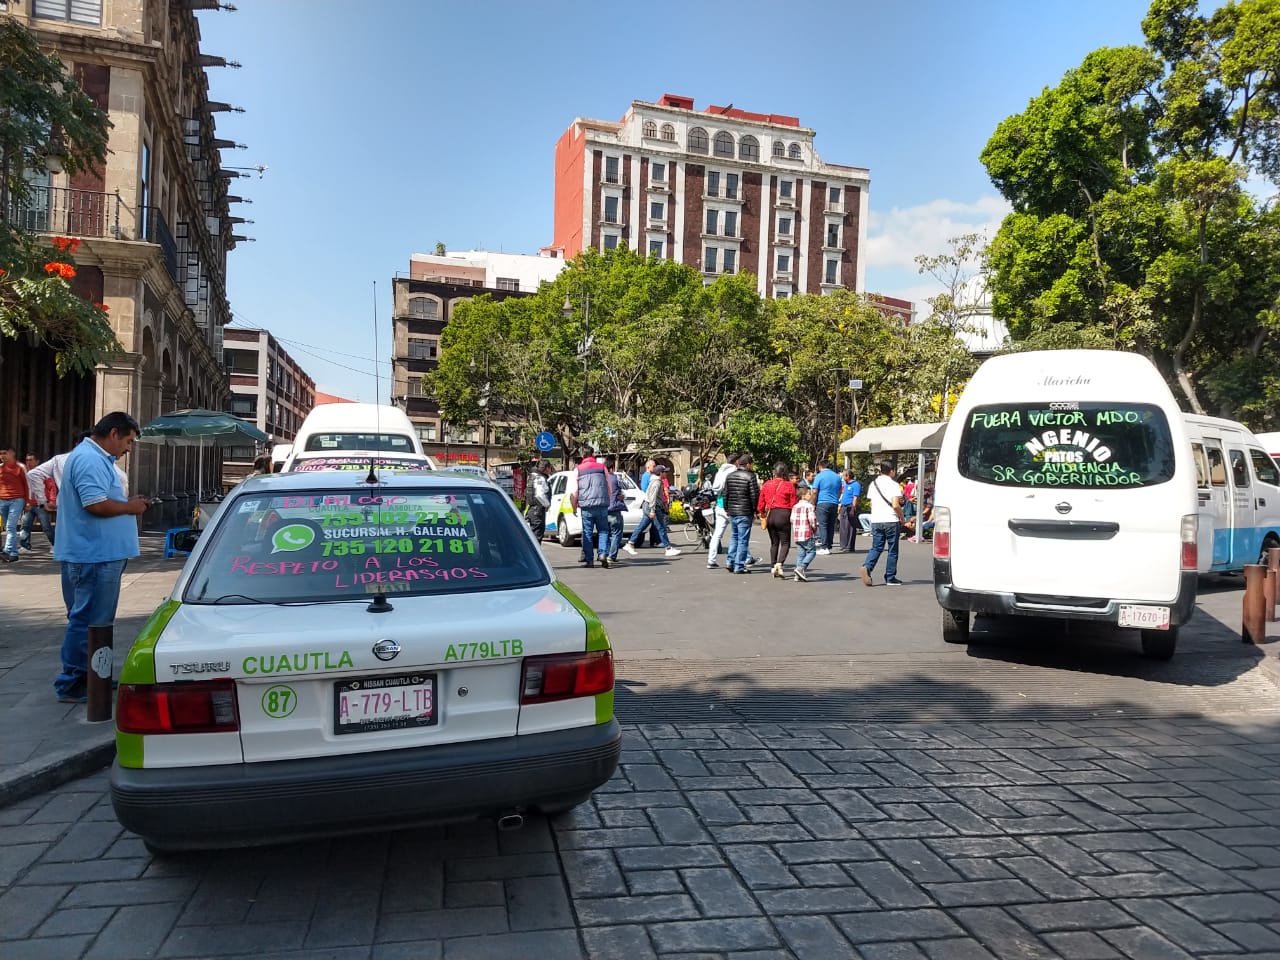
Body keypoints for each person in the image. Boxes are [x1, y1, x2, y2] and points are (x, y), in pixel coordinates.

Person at [53, 412, 152, 703]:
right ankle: (74, 681)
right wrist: (130, 507)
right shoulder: (89, 459)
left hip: (99, 555)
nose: (128, 449)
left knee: (96, 622)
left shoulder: (96, 459)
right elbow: (95, 504)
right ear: (113, 434)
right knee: (87, 621)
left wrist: (129, 504)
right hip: (92, 556)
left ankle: (95, 676)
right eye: (128, 441)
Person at [861, 461, 906, 587]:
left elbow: (871, 503)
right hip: (891, 520)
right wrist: (902, 518)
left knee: (876, 547)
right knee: (892, 549)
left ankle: (867, 566)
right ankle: (890, 577)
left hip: (876, 519)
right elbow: (896, 504)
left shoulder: (873, 484)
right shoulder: (894, 485)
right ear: (892, 471)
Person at [624, 465, 681, 558]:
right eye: (665, 472)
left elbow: (657, 497)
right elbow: (653, 497)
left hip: (648, 505)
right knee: (661, 527)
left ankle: (630, 543)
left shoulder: (655, 480)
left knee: (642, 526)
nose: (666, 473)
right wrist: (652, 510)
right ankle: (668, 548)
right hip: (652, 506)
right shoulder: (657, 482)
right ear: (660, 473)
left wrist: (663, 504)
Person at [571, 452, 613, 568]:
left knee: (587, 533)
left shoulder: (578, 469)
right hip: (602, 505)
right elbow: (609, 486)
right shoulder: (602, 467)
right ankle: (603, 554)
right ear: (593, 455)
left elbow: (575, 491)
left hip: (586, 506)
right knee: (603, 531)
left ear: (582, 456)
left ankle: (589, 560)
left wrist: (574, 506)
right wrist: (607, 500)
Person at [757, 462, 797, 578]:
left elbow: (761, 503)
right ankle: (779, 564)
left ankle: (772, 565)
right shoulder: (789, 485)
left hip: (771, 514)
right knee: (785, 543)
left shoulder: (766, 484)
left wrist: (762, 513)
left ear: (775, 472)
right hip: (784, 514)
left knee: (774, 543)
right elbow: (793, 503)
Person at [723, 453, 760, 574]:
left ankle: (730, 561)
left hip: (733, 511)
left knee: (734, 537)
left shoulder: (730, 476)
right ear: (748, 464)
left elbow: (725, 494)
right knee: (743, 540)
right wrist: (756, 510)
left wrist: (726, 508)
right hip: (745, 511)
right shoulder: (750, 476)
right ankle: (739, 565)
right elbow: (754, 495)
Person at [706, 452, 738, 569]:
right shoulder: (733, 471)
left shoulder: (720, 471)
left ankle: (711, 559)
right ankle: (745, 558)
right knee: (738, 533)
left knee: (717, 534)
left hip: (719, 505)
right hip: (730, 506)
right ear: (737, 461)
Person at [19, 452, 55, 552]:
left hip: (41, 504)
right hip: (29, 504)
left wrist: (52, 501)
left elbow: (51, 487)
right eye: (27, 460)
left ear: (37, 461)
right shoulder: (25, 474)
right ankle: (25, 545)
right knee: (25, 525)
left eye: (31, 460)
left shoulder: (43, 472)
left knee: (46, 527)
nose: (28, 462)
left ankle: (55, 544)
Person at [0, 445, 28, 562]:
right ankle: (14, 554)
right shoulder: (0, 468)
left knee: (11, 526)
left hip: (17, 500)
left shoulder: (20, 467)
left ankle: (6, 551)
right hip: (2, 500)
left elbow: (27, 485)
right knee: (8, 527)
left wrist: (27, 502)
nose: (2, 456)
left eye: (5, 453)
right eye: (0, 453)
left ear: (12, 453)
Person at [810, 460, 841, 555]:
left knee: (823, 525)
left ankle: (824, 546)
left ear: (820, 466)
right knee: (831, 525)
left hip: (822, 502)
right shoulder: (837, 477)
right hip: (834, 502)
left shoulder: (819, 476)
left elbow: (815, 491)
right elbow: (840, 490)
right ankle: (829, 544)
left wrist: (813, 503)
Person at [790, 482, 818, 582]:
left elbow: (792, 520)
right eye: (808, 494)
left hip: (797, 534)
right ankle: (801, 568)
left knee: (800, 554)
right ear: (803, 495)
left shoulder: (795, 507)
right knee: (812, 552)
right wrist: (814, 528)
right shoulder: (809, 506)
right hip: (807, 533)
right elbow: (812, 520)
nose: (810, 495)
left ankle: (797, 575)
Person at [604, 456, 628, 564]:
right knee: (616, 533)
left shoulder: (601, 478)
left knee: (606, 533)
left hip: (603, 509)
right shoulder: (615, 478)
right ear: (612, 468)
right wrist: (623, 477)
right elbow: (626, 486)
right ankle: (612, 555)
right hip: (614, 509)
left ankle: (606, 553)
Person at [525, 460, 552, 541]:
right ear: (546, 468)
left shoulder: (532, 476)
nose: (550, 470)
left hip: (531, 509)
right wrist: (547, 504)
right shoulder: (540, 478)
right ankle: (534, 553)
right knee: (537, 536)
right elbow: (539, 495)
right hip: (538, 511)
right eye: (550, 468)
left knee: (533, 537)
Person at [637, 457, 661, 547]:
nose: (655, 468)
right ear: (648, 467)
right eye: (653, 466)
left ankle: (655, 541)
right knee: (655, 522)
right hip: (649, 502)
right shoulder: (646, 476)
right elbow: (644, 488)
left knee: (651, 523)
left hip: (651, 501)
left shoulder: (651, 475)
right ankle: (657, 541)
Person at [838, 468, 862, 553]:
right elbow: (844, 495)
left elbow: (855, 497)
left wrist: (853, 508)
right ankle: (843, 544)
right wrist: (840, 504)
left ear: (847, 476)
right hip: (844, 507)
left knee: (850, 527)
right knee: (843, 526)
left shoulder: (856, 485)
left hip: (850, 506)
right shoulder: (846, 484)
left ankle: (849, 546)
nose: (842, 477)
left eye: (843, 475)